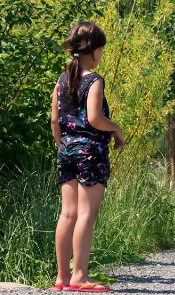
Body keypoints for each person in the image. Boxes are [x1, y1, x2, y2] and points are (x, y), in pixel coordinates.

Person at [50, 22, 124, 293]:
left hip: (66, 149)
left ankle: (62, 278)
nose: (102, 54)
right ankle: (80, 276)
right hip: (90, 151)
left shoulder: (62, 79)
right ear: (94, 51)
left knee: (67, 213)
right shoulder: (93, 79)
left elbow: (55, 120)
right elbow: (94, 118)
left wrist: (64, 146)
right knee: (85, 213)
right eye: (102, 49)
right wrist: (116, 128)